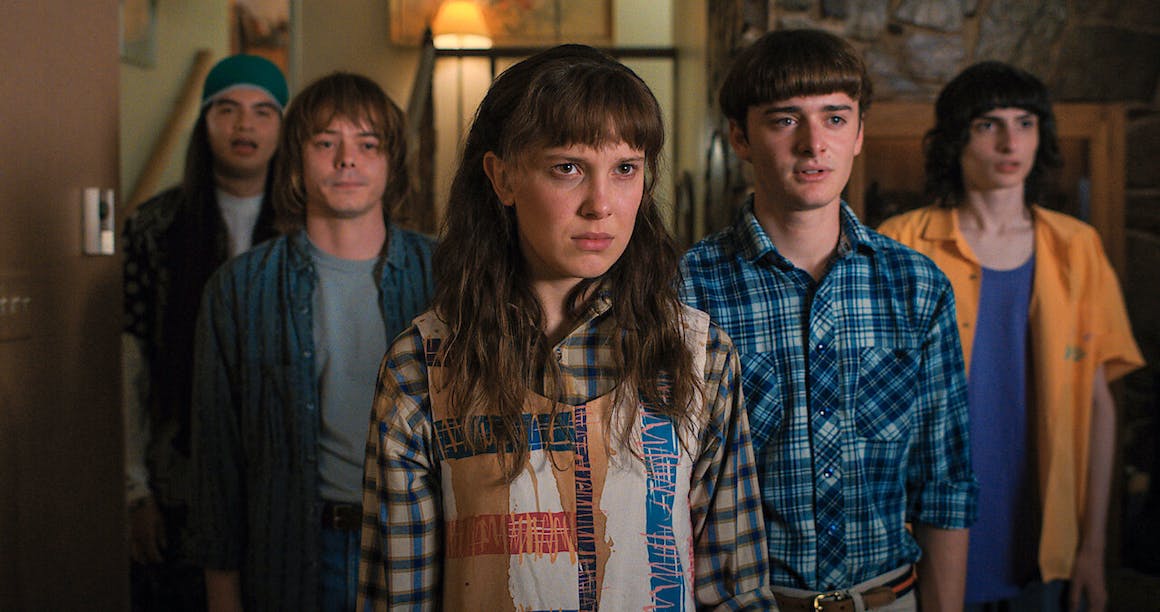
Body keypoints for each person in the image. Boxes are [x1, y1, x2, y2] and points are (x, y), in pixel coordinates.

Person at [357, 44, 773, 611]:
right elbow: (396, 596)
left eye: (625, 169)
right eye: (568, 168)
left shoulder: (696, 355)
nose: (600, 204)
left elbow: (736, 589)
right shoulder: (423, 363)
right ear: (502, 178)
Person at [680, 29, 979, 611]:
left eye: (836, 119)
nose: (814, 144)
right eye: (785, 120)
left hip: (890, 598)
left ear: (861, 133)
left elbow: (945, 487)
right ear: (740, 136)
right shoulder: (688, 290)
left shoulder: (917, 287)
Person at [878, 61, 1144, 612]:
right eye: (987, 124)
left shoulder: (1079, 247)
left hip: (1044, 540)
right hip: (920, 534)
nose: (1009, 141)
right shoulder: (900, 242)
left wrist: (1094, 549)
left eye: (1025, 122)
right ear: (956, 139)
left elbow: (1099, 405)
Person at [189, 72, 436, 612]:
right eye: (327, 143)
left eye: (367, 144)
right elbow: (216, 461)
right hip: (294, 552)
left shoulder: (444, 274)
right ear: (297, 159)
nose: (347, 159)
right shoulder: (239, 288)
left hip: (420, 540)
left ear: (391, 161)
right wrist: (222, 595)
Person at [122, 53, 287, 612]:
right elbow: (131, 363)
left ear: (283, 127)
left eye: (264, 112)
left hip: (282, 469)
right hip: (180, 471)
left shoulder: (307, 226)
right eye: (228, 109)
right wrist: (134, 488)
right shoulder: (154, 227)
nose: (245, 125)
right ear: (205, 121)